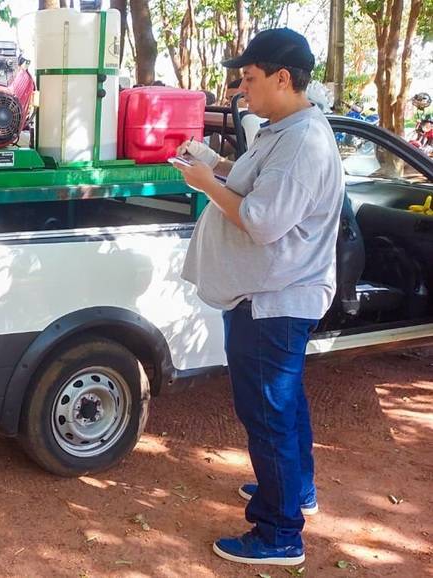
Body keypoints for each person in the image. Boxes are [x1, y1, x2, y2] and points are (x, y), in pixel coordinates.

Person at [175, 28, 344, 566]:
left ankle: (278, 533)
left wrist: (206, 185)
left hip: (275, 300)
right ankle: (296, 490)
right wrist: (216, 166)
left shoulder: (301, 142)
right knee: (285, 403)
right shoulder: (282, 130)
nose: (242, 89)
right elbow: (257, 185)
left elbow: (262, 221)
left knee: (267, 411)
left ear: (282, 78)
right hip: (266, 295)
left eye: (249, 78)